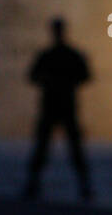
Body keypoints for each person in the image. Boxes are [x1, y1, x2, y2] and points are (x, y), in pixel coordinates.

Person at [23, 17, 93, 201]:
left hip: (58, 106)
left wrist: (57, 82)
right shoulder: (63, 55)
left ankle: (34, 185)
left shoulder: (54, 55)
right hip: (58, 106)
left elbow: (85, 76)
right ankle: (82, 186)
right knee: (50, 149)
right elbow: (33, 76)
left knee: (60, 149)